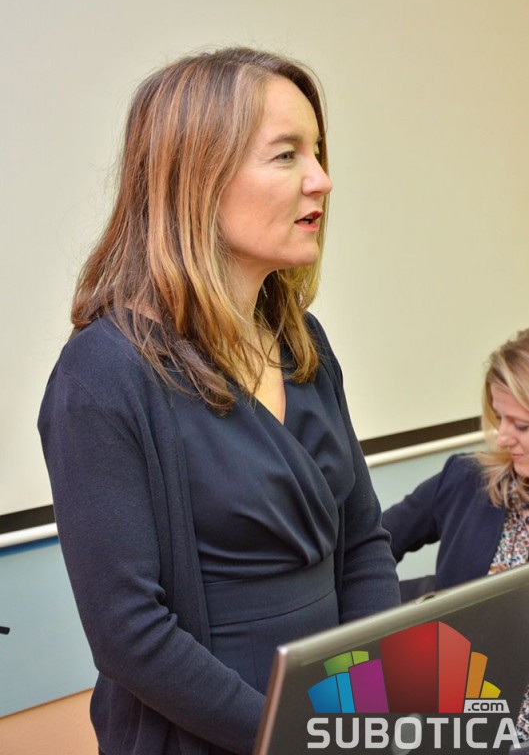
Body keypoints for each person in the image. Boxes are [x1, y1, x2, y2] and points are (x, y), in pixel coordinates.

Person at [38, 47, 400, 755]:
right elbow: (130, 636)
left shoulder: (303, 342)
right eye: (286, 155)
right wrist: (288, 739)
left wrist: (362, 707)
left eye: (317, 152)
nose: (321, 179)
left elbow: (362, 544)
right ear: (198, 178)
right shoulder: (103, 375)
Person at [382, 328, 529, 740]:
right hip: (464, 723)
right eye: (500, 418)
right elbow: (368, 549)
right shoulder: (466, 480)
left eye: (521, 425)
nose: (503, 437)